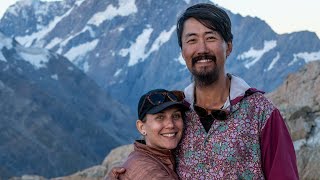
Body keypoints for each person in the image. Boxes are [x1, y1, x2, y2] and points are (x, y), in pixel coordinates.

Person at [107, 3, 299, 179]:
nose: (202, 49)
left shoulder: (261, 113)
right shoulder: (177, 116)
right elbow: (152, 154)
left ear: (228, 47)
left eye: (211, 38)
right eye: (192, 40)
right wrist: (127, 172)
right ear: (183, 52)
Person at [115, 89, 188, 180]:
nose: (171, 125)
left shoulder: (157, 158)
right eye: (160, 117)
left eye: (176, 116)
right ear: (141, 127)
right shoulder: (146, 171)